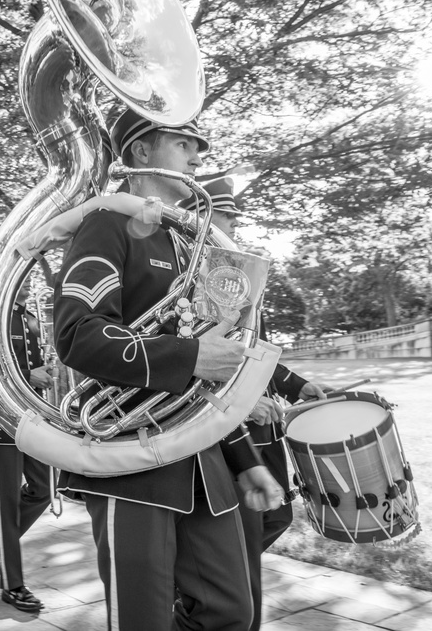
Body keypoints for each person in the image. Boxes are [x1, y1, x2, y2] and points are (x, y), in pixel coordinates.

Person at [52, 110, 284, 631]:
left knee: (231, 611)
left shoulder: (187, 244)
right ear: (140, 151)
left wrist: (245, 458)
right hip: (129, 462)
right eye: (184, 144)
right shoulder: (106, 225)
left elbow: (206, 374)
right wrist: (190, 356)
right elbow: (78, 334)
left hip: (203, 460)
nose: (199, 156)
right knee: (142, 620)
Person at [179, 178, 327, 630]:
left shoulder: (231, 269)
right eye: (224, 217)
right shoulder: (190, 273)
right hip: (223, 427)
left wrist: (296, 385)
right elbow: (197, 358)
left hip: (258, 423)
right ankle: (196, 598)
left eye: (233, 218)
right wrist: (243, 406)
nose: (231, 226)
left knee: (275, 516)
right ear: (201, 218)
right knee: (245, 537)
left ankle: (204, 594)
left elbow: (251, 345)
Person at [0, 278, 53, 612]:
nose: (25, 278)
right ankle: (13, 585)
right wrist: (28, 374)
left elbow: (30, 363)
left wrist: (42, 373)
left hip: (31, 416)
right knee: (6, 499)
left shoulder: (28, 317)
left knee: (45, 488)